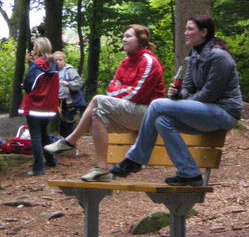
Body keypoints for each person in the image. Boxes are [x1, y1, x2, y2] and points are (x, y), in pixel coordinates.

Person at [110, 15, 243, 186]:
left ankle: (135, 159)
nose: (185, 33)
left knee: (157, 104)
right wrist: (178, 95)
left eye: (190, 29)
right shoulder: (194, 55)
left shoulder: (219, 57)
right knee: (162, 121)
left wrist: (179, 104)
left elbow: (210, 94)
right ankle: (190, 173)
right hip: (204, 112)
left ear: (204, 32)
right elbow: (188, 87)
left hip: (224, 112)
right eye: (185, 29)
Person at [45, 25, 165, 182]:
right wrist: (122, 90)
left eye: (128, 36)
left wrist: (120, 89)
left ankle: (70, 142)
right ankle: (102, 169)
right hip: (131, 113)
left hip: (149, 114)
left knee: (98, 100)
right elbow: (111, 89)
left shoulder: (149, 61)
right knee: (97, 116)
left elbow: (137, 94)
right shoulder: (125, 63)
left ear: (141, 40)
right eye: (124, 36)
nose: (124, 39)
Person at [19, 37, 60, 176]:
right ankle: (50, 160)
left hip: (35, 105)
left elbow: (29, 85)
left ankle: (38, 168)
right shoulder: (53, 63)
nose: (33, 48)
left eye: (35, 46)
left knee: (35, 135)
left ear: (39, 48)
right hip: (48, 106)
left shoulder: (37, 64)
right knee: (43, 133)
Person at [53, 51, 86, 138]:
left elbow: (79, 84)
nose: (58, 62)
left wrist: (68, 84)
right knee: (61, 124)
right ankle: (63, 142)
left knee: (69, 123)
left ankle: (71, 142)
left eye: (60, 60)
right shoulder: (52, 71)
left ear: (64, 60)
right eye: (55, 60)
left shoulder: (70, 70)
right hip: (58, 102)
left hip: (70, 102)